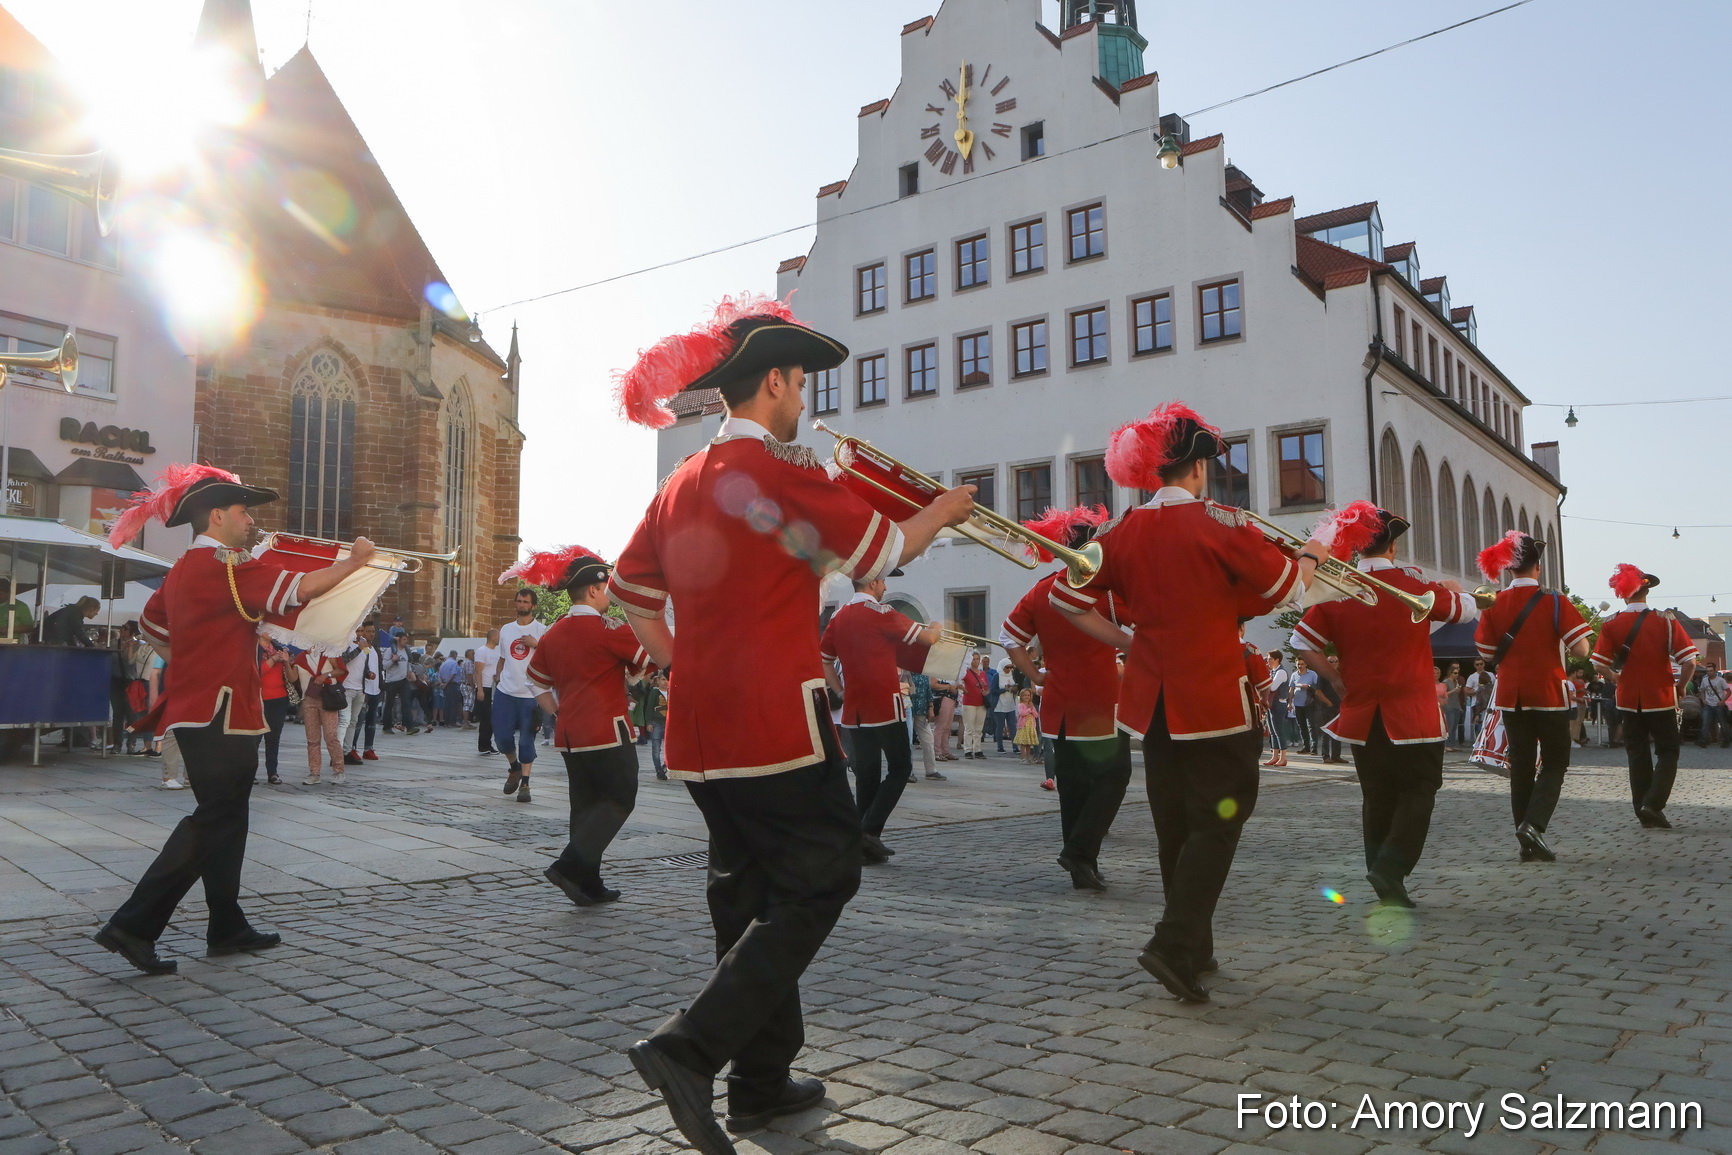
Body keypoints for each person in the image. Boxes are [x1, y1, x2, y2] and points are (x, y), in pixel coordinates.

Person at [607, 294, 974, 1153]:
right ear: (772, 382)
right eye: (800, 380)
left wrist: (682, 665)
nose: (804, 394)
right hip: (778, 723)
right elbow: (883, 552)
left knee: (746, 899)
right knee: (822, 875)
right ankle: (689, 1048)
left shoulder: (677, 483)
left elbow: (630, 597)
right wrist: (945, 513)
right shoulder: (780, 470)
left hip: (700, 732)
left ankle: (762, 1085)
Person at [1050, 402, 1322, 1004]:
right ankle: (1174, 942)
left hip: (1151, 702)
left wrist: (1129, 639)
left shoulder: (1119, 532)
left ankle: (1193, 946)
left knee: (1175, 826)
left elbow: (1068, 603)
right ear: (1197, 468)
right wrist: (1310, 560)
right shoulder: (1221, 522)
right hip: (1215, 697)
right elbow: (1282, 591)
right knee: (1221, 819)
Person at [92, 463, 375, 975]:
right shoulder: (226, 564)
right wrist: (356, 562)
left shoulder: (182, 569)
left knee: (229, 819)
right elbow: (303, 588)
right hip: (221, 710)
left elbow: (156, 628)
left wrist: (199, 656)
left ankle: (226, 924)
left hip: (203, 707)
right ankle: (133, 925)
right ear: (217, 516)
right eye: (244, 512)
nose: (250, 521)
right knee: (215, 819)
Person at [1292, 503, 1475, 908]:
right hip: (1413, 714)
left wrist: (1338, 679)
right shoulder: (1414, 584)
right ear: (1392, 547)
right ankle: (1390, 868)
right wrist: (1453, 590)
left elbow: (1300, 642)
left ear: (1357, 548)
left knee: (1376, 796)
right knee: (1420, 790)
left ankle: (1383, 876)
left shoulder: (1340, 590)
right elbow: (1467, 611)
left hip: (1361, 713)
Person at [510, 546, 654, 906]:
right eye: (606, 589)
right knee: (620, 799)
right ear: (594, 589)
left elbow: (535, 681)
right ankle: (570, 867)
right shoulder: (610, 629)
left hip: (570, 734)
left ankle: (587, 885)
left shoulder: (554, 634)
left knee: (585, 808)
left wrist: (557, 711)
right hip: (608, 730)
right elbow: (650, 660)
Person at [1002, 504, 1129, 892]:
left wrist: (1037, 674)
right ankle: (1080, 852)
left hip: (1059, 704)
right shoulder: (1104, 592)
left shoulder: (1041, 591)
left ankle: (1080, 867)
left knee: (1072, 786)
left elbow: (1010, 638)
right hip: (1102, 701)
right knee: (1114, 777)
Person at [1473, 531, 1593, 862]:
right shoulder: (1554, 600)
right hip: (1549, 693)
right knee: (1556, 763)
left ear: (1509, 569)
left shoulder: (1494, 602)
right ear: (1537, 567)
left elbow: (1484, 649)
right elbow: (1581, 649)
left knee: (1522, 767)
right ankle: (1533, 826)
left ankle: (1526, 845)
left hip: (1511, 695)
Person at [820, 569, 940, 864]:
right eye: (883, 581)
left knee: (868, 776)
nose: (885, 587)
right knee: (900, 769)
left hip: (855, 709)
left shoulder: (839, 617)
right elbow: (927, 638)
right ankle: (869, 832)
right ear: (872, 583)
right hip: (885, 705)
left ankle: (862, 847)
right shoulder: (881, 611)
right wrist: (938, 626)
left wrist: (841, 690)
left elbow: (825, 661)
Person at [1591, 565, 1698, 829]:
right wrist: (1681, 686)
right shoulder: (1666, 620)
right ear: (1646, 590)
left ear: (1623, 594)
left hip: (1627, 698)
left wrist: (1616, 678)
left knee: (1636, 755)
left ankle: (1642, 809)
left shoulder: (1611, 623)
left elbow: (1598, 664)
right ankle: (1653, 803)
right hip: (1661, 696)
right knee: (1668, 751)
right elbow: (1690, 661)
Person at [493, 588, 547, 800]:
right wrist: (497, 675)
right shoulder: (506, 629)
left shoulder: (542, 630)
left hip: (531, 694)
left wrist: (537, 644)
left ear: (533, 605)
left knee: (526, 741)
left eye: (525, 602)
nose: (522, 605)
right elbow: (503, 657)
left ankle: (525, 783)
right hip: (506, 692)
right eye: (519, 601)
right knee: (502, 739)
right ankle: (514, 767)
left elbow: (552, 656)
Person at [296, 648, 350, 784]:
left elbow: (341, 670)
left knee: (331, 735)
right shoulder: (302, 657)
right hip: (309, 697)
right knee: (312, 737)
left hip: (327, 697)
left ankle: (339, 770)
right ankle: (314, 772)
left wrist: (326, 675)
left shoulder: (328, 653)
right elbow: (293, 677)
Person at [341, 626, 380, 764]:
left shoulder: (365, 648)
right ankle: (338, 753)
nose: (359, 634)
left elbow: (363, 666)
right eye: (357, 631)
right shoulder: (345, 645)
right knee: (344, 721)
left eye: (361, 631)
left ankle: (347, 752)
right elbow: (343, 660)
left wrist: (368, 674)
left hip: (360, 689)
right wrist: (358, 649)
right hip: (347, 688)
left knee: (353, 721)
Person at [257, 641, 292, 785]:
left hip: (279, 698)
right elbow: (259, 671)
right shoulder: (255, 648)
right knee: (256, 738)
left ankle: (272, 772)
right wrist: (273, 659)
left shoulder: (279, 648)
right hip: (260, 698)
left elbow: (291, 677)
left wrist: (286, 661)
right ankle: (250, 772)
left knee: (273, 737)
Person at [959, 654, 990, 759]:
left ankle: (977, 749)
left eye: (977, 659)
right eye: (973, 659)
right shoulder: (966, 672)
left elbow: (987, 686)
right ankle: (967, 750)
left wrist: (986, 692)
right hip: (969, 703)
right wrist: (963, 689)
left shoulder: (983, 674)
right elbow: (958, 681)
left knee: (979, 728)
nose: (976, 661)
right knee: (969, 728)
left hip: (981, 703)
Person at [1262, 652, 1289, 767]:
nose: (1268, 661)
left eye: (1270, 659)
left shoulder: (1281, 672)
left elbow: (1272, 687)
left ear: (1277, 659)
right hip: (1272, 704)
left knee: (1279, 732)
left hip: (1279, 704)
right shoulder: (1273, 672)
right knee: (1272, 732)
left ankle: (1283, 757)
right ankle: (1274, 756)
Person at [474, 627, 499, 755]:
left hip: (494, 687)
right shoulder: (482, 651)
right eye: (498, 635)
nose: (500, 638)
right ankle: (484, 745)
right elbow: (478, 671)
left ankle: (488, 743)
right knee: (486, 718)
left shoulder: (496, 652)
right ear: (493, 637)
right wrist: (480, 689)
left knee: (492, 718)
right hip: (484, 687)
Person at [1693, 662, 1728, 748]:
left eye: (1711, 671)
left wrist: (1723, 700)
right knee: (1705, 723)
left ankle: (1726, 741)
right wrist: (1703, 699)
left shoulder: (1721, 680)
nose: (1709, 673)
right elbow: (1701, 690)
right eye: (1708, 671)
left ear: (1715, 671)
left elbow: (1729, 691)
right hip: (1708, 705)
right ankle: (1703, 740)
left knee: (1723, 723)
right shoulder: (1705, 680)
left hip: (1718, 705)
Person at [1290, 657, 1318, 754]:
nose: (1300, 666)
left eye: (1302, 664)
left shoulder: (1312, 674)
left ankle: (1314, 747)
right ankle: (1306, 747)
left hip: (1309, 704)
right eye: (1298, 664)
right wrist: (1290, 703)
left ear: (1306, 664)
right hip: (1298, 704)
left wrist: (1308, 686)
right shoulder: (1294, 675)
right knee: (1301, 726)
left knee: (1311, 726)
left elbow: (1317, 687)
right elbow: (1291, 689)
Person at [1465, 658, 1493, 743]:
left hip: (1490, 705)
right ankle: (1478, 742)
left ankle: (1486, 742)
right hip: (1476, 704)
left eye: (1481, 664)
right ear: (1474, 666)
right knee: (1478, 725)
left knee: (1489, 725)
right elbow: (1466, 690)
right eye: (1477, 664)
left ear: (1484, 664)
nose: (1479, 666)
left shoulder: (1491, 675)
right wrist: (1477, 692)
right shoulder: (1472, 677)